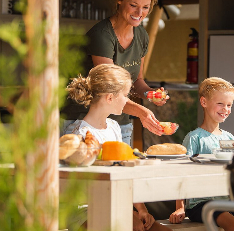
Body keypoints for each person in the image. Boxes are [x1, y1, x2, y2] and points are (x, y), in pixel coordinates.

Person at [62, 0, 168, 145]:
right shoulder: (102, 36)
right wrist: (142, 112)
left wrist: (150, 94)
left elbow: (137, 80)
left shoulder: (141, 35)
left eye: (145, 7)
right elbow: (108, 90)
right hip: (84, 122)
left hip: (119, 123)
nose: (139, 12)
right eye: (133, 5)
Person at [65, 64, 172, 231]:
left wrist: (141, 210)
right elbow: (79, 188)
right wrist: (126, 213)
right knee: (134, 225)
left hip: (113, 202)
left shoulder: (114, 127)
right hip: (85, 210)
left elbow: (124, 175)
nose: (127, 100)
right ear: (110, 98)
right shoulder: (81, 134)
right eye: (125, 95)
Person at [169, 77, 234, 231]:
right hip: (200, 204)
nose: (226, 109)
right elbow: (181, 173)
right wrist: (180, 207)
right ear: (204, 102)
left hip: (225, 201)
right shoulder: (194, 138)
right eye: (220, 104)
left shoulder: (229, 137)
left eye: (229, 105)